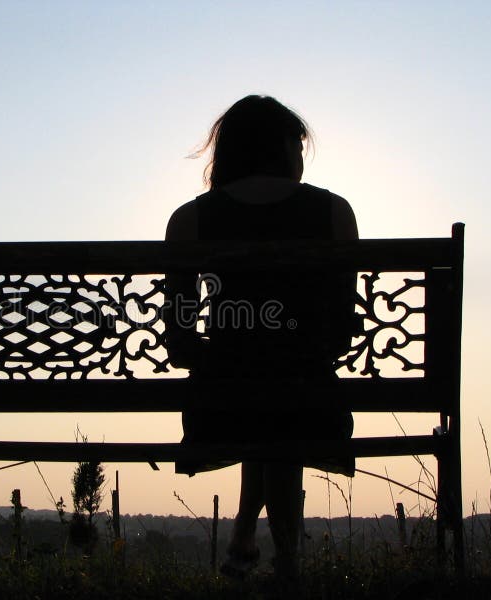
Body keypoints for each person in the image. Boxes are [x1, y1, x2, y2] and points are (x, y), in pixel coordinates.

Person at [164, 95, 358, 579]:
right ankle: (287, 557)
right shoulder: (335, 212)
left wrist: (227, 356)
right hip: (313, 403)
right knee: (283, 390)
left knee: (257, 389)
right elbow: (341, 331)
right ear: (286, 147)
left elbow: (179, 339)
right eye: (299, 143)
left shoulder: (189, 221)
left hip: (220, 407)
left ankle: (247, 531)